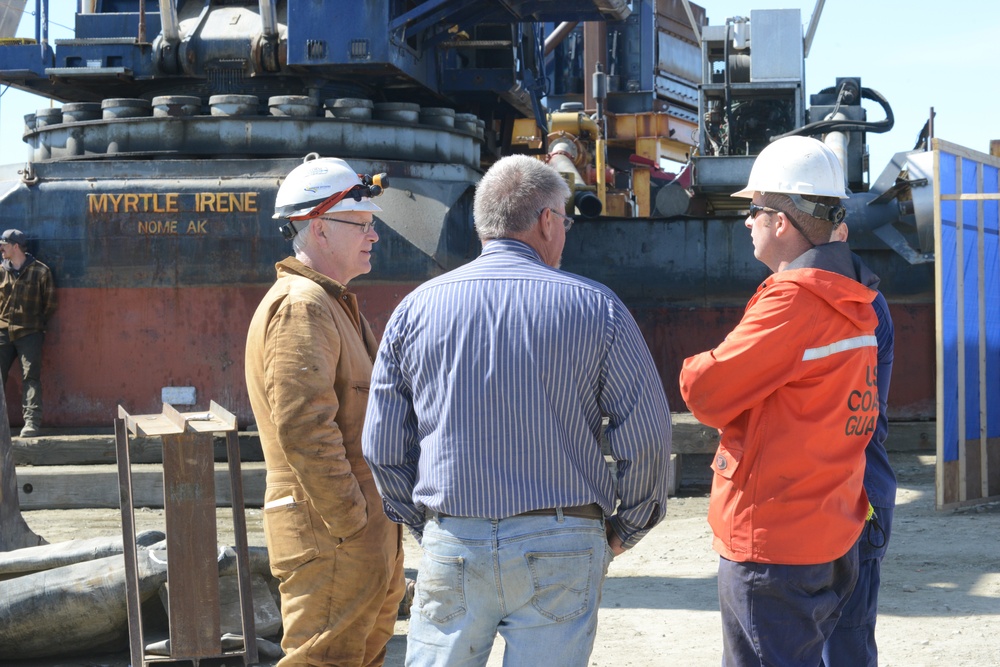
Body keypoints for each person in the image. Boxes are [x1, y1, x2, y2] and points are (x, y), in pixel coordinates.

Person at [362, 154, 672, 666]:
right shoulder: (598, 308)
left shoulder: (414, 309)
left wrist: (427, 526)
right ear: (547, 221)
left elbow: (382, 446)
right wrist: (627, 526)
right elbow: (648, 437)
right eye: (565, 221)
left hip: (454, 534)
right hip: (564, 539)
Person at [678, 135, 881, 666]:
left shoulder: (793, 300)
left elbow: (706, 392)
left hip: (775, 545)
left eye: (754, 209)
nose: (747, 220)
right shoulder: (854, 298)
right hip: (831, 532)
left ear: (782, 222)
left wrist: (697, 365)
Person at [244, 156, 405, 667]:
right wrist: (353, 524)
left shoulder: (332, 304)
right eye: (360, 224)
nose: (373, 235)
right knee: (323, 659)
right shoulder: (302, 306)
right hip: (333, 533)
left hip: (358, 532)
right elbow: (304, 427)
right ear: (319, 227)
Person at [823, 223, 896, 667]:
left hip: (849, 503)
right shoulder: (868, 301)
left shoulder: (851, 305)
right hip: (860, 498)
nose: (749, 222)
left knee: (842, 646)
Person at [0, 229, 56, 438]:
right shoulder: (0, 271)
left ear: (15, 246)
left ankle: (31, 423)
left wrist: (34, 323)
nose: (0, 248)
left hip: (30, 332)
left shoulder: (41, 272)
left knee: (30, 377)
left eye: (4, 244)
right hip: (3, 331)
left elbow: (50, 304)